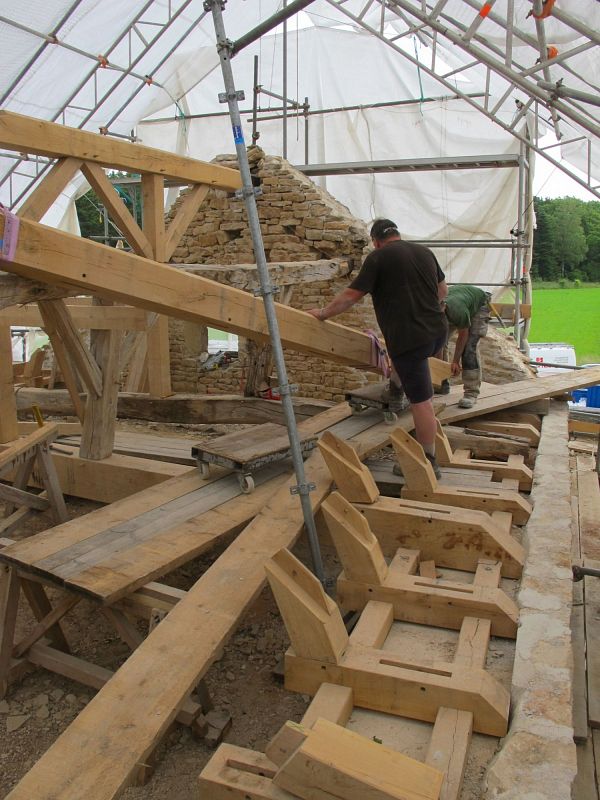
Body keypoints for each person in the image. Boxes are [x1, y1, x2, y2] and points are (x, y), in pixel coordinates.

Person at [308, 218, 448, 478]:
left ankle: (427, 460)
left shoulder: (378, 258)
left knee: (422, 401)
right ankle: (396, 388)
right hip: (438, 332)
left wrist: (323, 314)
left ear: (375, 241)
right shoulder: (424, 252)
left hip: (410, 339)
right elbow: (442, 290)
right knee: (402, 361)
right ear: (397, 233)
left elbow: (351, 296)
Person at [441, 284, 491, 409]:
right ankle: (442, 383)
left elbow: (463, 336)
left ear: (443, 307)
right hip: (458, 302)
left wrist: (455, 361)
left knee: (469, 348)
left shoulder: (457, 310)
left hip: (479, 305)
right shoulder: (430, 310)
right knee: (439, 342)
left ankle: (471, 393)